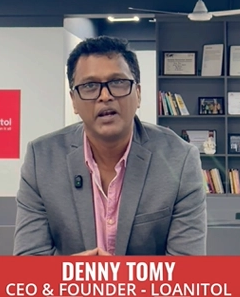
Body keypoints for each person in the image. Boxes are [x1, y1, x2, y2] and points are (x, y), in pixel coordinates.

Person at [13, 35, 207, 256]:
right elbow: (27, 263)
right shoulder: (41, 159)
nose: (105, 96)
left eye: (118, 83)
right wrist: (77, 273)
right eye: (89, 86)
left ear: (138, 94)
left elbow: (188, 268)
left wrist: (114, 274)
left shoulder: (180, 160)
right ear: (74, 101)